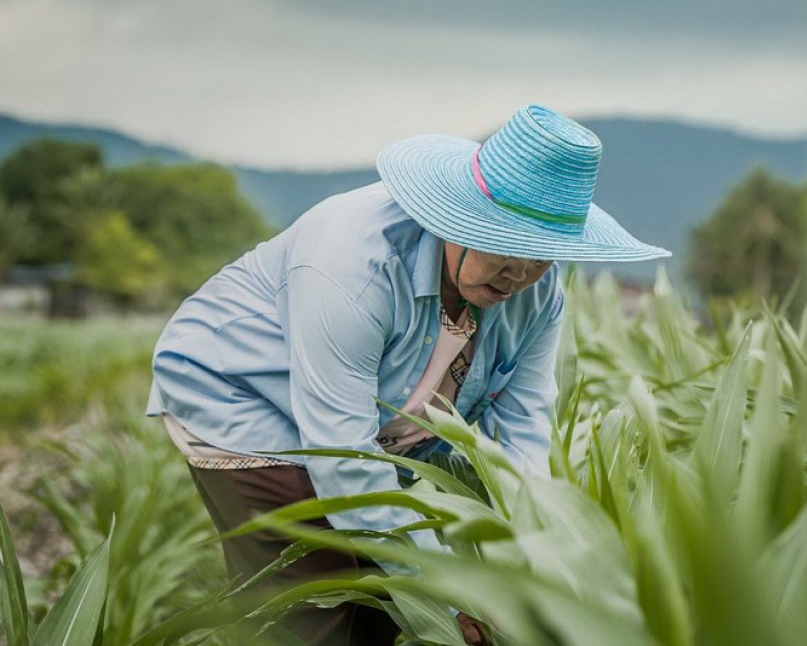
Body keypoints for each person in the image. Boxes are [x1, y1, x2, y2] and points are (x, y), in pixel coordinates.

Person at [145, 103, 669, 645]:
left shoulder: (538, 295)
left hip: (367, 428)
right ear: (457, 220)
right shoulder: (353, 267)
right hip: (244, 394)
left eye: (543, 254)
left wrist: (530, 563)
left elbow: (523, 432)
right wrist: (451, 587)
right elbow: (344, 458)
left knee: (387, 605)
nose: (521, 273)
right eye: (508, 245)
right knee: (315, 600)